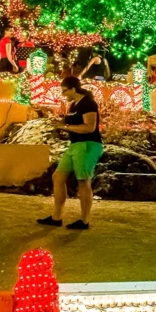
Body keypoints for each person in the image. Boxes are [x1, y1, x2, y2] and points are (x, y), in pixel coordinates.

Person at [37, 76, 103, 230]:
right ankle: (56, 217)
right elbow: (71, 124)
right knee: (58, 177)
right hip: (75, 145)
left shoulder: (88, 103)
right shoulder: (74, 105)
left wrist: (65, 126)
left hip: (87, 144)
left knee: (83, 181)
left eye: (64, 90)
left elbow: (89, 128)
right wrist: (59, 124)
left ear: (74, 89)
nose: (63, 94)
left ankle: (84, 220)